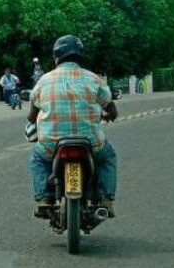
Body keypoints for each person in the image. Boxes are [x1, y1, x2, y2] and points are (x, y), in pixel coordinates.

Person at [26, 35, 118, 215]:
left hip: (52, 145)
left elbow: (31, 116)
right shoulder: (94, 79)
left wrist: (36, 116)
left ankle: (44, 198)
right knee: (108, 157)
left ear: (56, 56)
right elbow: (112, 110)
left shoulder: (43, 81)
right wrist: (108, 116)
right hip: (90, 144)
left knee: (37, 159)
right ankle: (106, 200)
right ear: (80, 55)